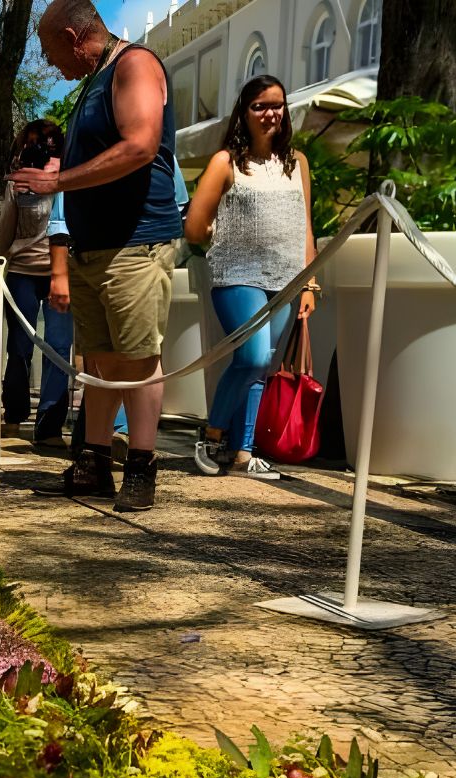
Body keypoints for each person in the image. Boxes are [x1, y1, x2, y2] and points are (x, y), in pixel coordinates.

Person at [13, 0, 183, 512]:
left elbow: (140, 146)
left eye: (47, 51)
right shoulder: (93, 81)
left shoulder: (134, 65)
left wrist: (57, 180)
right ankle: (93, 462)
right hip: (94, 247)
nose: (48, 64)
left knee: (137, 360)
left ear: (71, 35)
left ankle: (141, 466)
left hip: (135, 242)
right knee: (101, 361)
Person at [184, 75, 317, 481]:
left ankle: (243, 453)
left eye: (276, 104)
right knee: (253, 357)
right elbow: (194, 226)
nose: (270, 113)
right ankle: (211, 435)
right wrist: (222, 239)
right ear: (243, 112)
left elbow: (304, 228)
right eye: (259, 105)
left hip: (286, 280)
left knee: (260, 367)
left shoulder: (297, 162)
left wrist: (310, 283)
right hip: (237, 274)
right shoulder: (226, 162)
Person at [0, 119, 75, 443]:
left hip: (64, 275)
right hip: (22, 271)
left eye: (50, 141)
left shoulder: (73, 179)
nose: (42, 146)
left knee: (58, 348)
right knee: (20, 347)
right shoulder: (18, 184)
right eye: (34, 141)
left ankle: (50, 424)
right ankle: (13, 414)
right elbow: (4, 235)